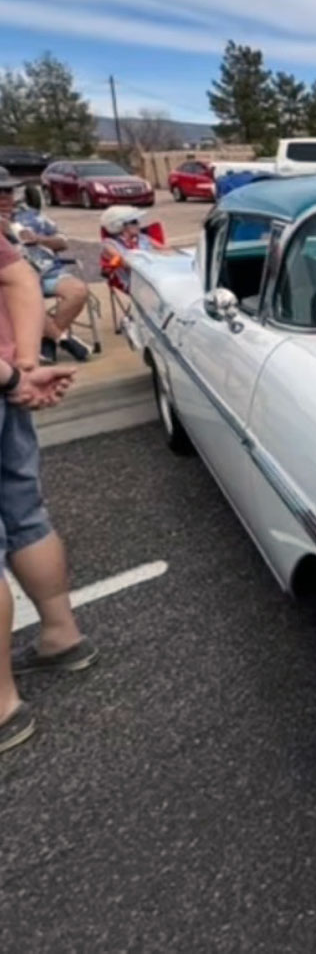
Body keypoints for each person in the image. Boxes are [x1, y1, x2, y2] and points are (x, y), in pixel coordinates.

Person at [0, 235, 95, 755]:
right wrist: (27, 365)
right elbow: (20, 277)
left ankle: (2, 705)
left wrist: (15, 375)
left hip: (4, 377)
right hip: (8, 379)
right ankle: (61, 633)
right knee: (24, 511)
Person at [0, 174, 91, 363]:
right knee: (22, 298)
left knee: (78, 291)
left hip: (48, 271)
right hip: (13, 281)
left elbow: (63, 242)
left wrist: (39, 239)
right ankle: (62, 339)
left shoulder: (30, 215)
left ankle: (46, 340)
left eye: (7, 190)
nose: (4, 196)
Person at [98, 205, 164, 294]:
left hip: (153, 276)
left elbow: (166, 251)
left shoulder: (143, 237)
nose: (138, 224)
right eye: (134, 222)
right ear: (121, 225)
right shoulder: (110, 244)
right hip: (132, 282)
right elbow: (125, 262)